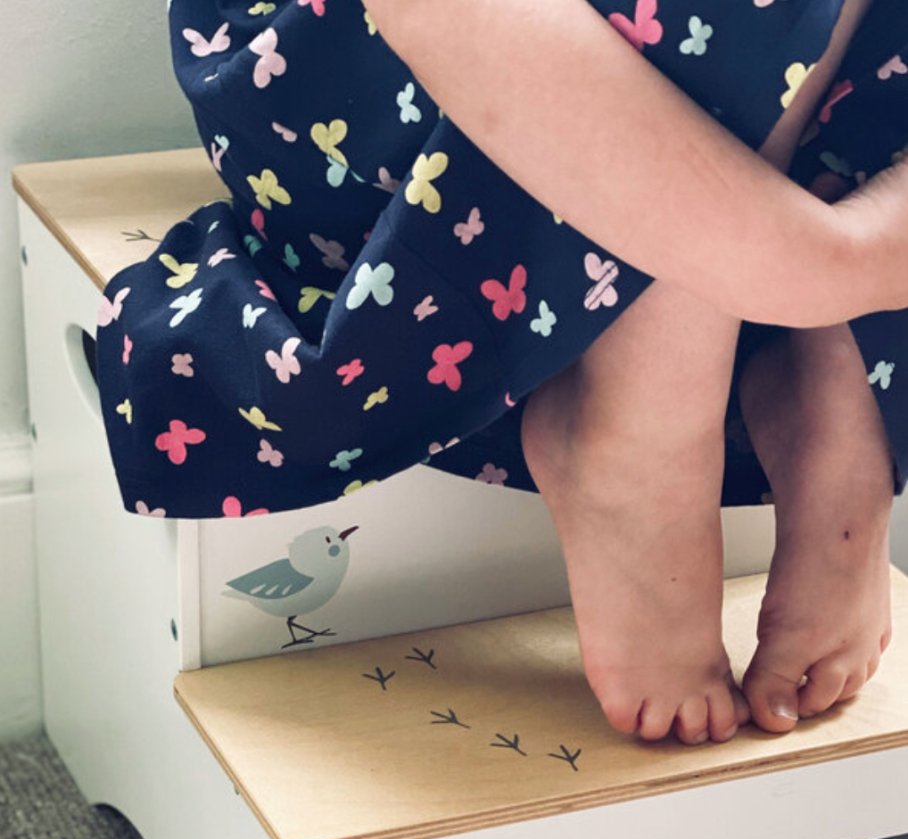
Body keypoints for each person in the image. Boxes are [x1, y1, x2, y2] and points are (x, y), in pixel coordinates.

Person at [95, 0, 908, 744]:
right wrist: (824, 268)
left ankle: (825, 374)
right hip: (389, 92)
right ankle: (643, 422)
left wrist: (835, 274)